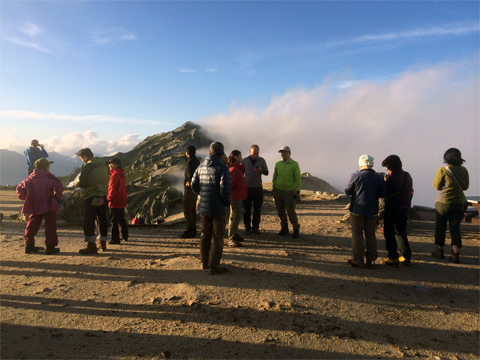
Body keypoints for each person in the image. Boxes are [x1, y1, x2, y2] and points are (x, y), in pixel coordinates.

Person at [191, 142, 231, 275]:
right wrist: (226, 203)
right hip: (218, 208)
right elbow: (225, 190)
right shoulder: (223, 168)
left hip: (204, 207)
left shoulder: (200, 167)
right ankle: (214, 266)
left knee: (205, 234)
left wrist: (203, 195)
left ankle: (204, 262)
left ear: (209, 153)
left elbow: (193, 185)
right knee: (218, 236)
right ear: (221, 153)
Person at [345, 155, 387, 269]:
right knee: (371, 235)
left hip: (357, 210)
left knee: (357, 235)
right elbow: (383, 194)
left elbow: (348, 191)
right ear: (372, 164)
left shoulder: (355, 175)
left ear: (361, 164)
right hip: (372, 210)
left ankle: (358, 260)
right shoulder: (379, 177)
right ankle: (371, 260)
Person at [16, 158, 64, 255]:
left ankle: (28, 245)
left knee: (32, 225)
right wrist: (56, 197)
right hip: (49, 204)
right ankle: (50, 247)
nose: (49, 167)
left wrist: (25, 197)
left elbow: (19, 188)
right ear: (45, 167)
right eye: (48, 165)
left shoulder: (29, 178)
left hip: (34, 205)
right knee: (50, 226)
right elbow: (60, 187)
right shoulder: (50, 177)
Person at [432, 148, 469, 263]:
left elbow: (437, 186)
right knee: (455, 228)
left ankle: (439, 251)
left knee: (440, 227)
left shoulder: (443, 170)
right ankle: (455, 254)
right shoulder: (464, 170)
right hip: (459, 203)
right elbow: (465, 187)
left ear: (446, 157)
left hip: (443, 203)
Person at [74, 148, 109, 254]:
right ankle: (103, 243)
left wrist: (76, 183)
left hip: (91, 196)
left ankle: (91, 245)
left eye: (81, 158)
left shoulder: (88, 166)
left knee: (89, 220)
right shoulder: (104, 164)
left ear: (85, 157)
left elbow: (83, 183)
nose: (82, 161)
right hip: (103, 195)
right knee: (102, 220)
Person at [381, 155, 414, 266]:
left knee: (389, 232)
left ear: (391, 166)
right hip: (404, 208)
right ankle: (406, 257)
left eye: (387, 166)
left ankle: (393, 257)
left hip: (392, 207)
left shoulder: (392, 178)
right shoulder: (407, 175)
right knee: (401, 232)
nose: (386, 169)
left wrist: (385, 181)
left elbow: (385, 193)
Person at [272, 146, 301, 238]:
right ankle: (284, 227)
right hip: (278, 190)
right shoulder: (278, 164)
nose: (283, 154)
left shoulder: (294, 164)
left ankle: (296, 228)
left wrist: (297, 191)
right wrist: (274, 189)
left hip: (289, 190)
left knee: (290, 211)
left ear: (289, 153)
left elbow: (297, 178)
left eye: (285, 152)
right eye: (282, 152)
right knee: (280, 211)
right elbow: (275, 176)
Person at [242, 145, 269, 234]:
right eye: (254, 154)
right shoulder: (245, 161)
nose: (255, 156)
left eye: (257, 154)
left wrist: (261, 170)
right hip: (247, 188)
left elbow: (266, 172)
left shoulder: (262, 160)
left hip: (258, 188)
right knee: (246, 209)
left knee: (257, 209)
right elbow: (241, 174)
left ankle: (256, 227)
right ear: (250, 151)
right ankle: (247, 227)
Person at [227, 150, 248, 247]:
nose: (242, 158)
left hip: (237, 196)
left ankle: (233, 234)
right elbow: (230, 184)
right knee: (236, 216)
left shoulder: (236, 169)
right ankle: (232, 238)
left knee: (234, 216)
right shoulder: (234, 170)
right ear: (235, 157)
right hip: (235, 197)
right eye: (240, 156)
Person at [107, 158, 128, 244]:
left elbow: (112, 189)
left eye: (112, 164)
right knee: (121, 219)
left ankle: (115, 239)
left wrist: (108, 198)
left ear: (117, 165)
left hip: (115, 200)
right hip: (122, 199)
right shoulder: (121, 175)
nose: (110, 165)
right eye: (109, 164)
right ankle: (124, 235)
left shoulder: (114, 175)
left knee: (114, 221)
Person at [181, 145, 201, 238]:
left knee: (187, 208)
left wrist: (188, 182)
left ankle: (190, 228)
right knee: (192, 208)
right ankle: (193, 228)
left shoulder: (189, 162)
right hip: (196, 188)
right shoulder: (197, 161)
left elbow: (189, 175)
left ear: (187, 153)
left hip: (189, 189)